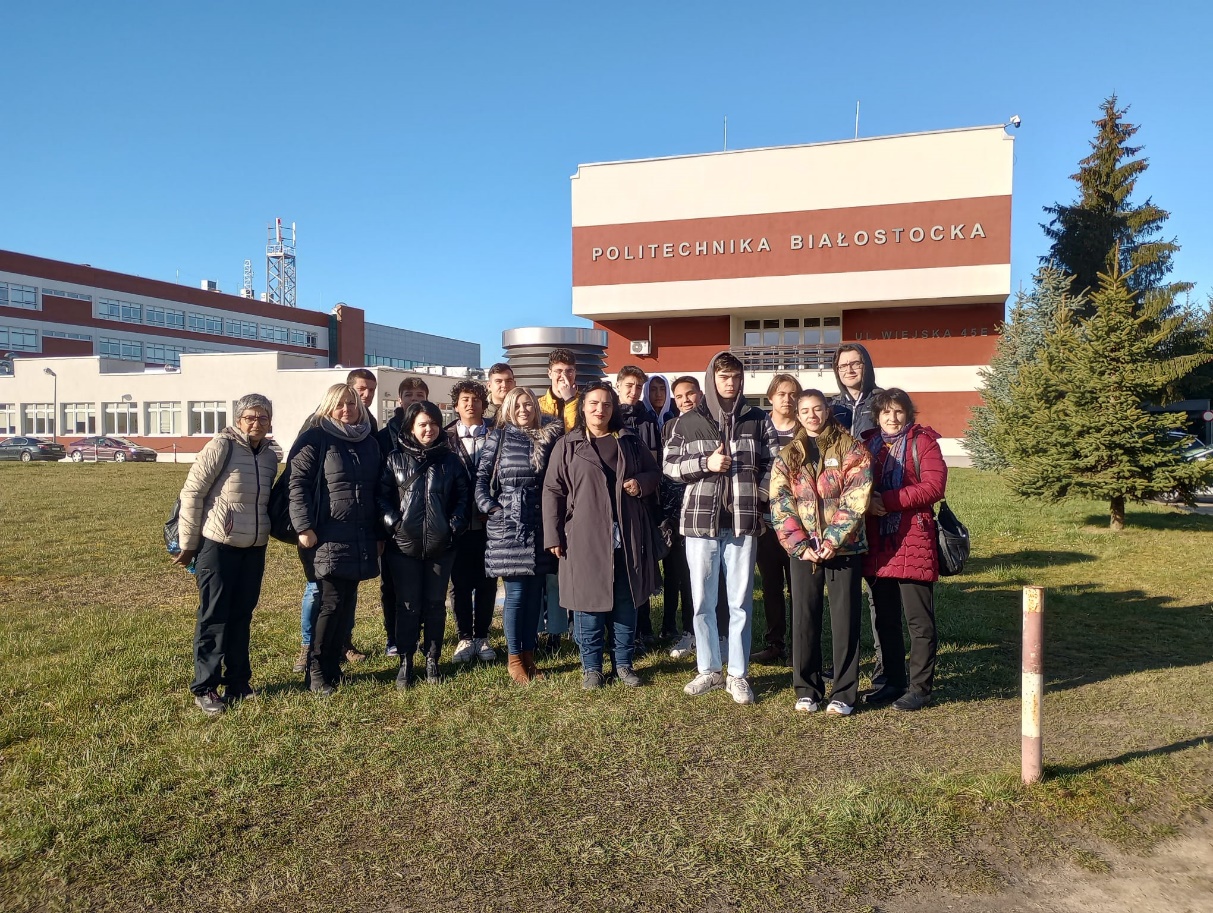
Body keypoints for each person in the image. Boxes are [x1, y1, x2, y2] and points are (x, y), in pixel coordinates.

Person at [664, 351, 779, 705]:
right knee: (702, 600)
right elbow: (669, 466)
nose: (730, 383)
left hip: (743, 524)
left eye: (735, 377)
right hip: (700, 524)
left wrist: (759, 496)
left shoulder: (758, 419)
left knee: (740, 602)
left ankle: (737, 674)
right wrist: (706, 463)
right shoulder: (688, 421)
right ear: (712, 379)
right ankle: (709, 669)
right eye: (724, 377)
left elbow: (774, 464)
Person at [543, 383, 661, 689]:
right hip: (584, 535)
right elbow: (553, 490)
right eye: (593, 403)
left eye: (606, 404)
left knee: (626, 599)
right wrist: (553, 535)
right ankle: (592, 668)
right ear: (583, 407)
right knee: (588, 603)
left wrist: (641, 483)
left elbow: (654, 473)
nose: (600, 409)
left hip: (627, 533)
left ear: (614, 409)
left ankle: (623, 663)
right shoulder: (568, 445)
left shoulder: (630, 441)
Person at [770, 390, 873, 716]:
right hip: (805, 552)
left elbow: (856, 496)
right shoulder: (788, 454)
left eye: (817, 409)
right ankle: (807, 690)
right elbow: (780, 502)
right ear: (798, 415)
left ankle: (844, 692)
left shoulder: (851, 449)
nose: (812, 415)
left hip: (843, 548)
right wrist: (801, 545)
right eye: (805, 411)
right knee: (804, 619)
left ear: (827, 411)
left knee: (845, 620)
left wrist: (832, 541)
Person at [176, 394, 279, 716]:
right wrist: (188, 543)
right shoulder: (221, 446)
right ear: (238, 420)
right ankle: (205, 686)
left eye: (263, 418)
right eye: (250, 417)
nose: (257, 423)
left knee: (242, 615)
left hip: (254, 546)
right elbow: (192, 492)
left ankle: (238, 681)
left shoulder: (270, 455)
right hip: (218, 544)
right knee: (214, 616)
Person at [289, 383, 383, 696]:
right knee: (330, 601)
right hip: (325, 532)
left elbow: (377, 489)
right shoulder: (315, 437)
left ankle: (332, 665)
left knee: (345, 601)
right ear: (329, 406)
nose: (346, 410)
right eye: (340, 404)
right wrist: (304, 526)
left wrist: (378, 533)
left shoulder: (369, 441)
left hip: (360, 532)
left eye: (352, 404)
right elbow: (297, 484)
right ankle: (315, 668)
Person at [862, 388, 947, 712]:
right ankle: (892, 681)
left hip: (913, 538)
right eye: (886, 412)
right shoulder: (869, 444)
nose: (892, 417)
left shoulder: (923, 441)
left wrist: (888, 501)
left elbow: (934, 486)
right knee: (885, 619)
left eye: (898, 411)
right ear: (877, 416)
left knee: (918, 620)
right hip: (878, 542)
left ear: (908, 414)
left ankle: (920, 688)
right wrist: (867, 503)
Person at [377, 400, 469, 687]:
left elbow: (463, 497)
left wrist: (453, 526)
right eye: (423, 424)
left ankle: (432, 659)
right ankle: (406, 660)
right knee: (407, 605)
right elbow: (381, 497)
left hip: (442, 546)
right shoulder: (394, 459)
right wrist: (394, 523)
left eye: (434, 423)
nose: (429, 429)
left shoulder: (450, 461)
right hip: (403, 547)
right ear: (411, 427)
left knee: (435, 605)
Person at [476, 387, 563, 683]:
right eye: (517, 405)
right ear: (508, 410)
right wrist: (492, 507)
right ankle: (514, 659)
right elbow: (481, 479)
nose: (523, 410)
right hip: (508, 526)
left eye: (528, 405)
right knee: (515, 595)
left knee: (535, 595)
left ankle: (529, 656)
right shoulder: (498, 437)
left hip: (540, 523)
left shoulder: (549, 437)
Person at [830, 343, 887, 695]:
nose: (849, 370)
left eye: (855, 363)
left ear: (866, 365)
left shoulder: (882, 401)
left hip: (875, 507)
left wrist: (877, 496)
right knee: (842, 592)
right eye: (843, 366)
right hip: (838, 511)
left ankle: (883, 665)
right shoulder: (831, 407)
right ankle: (842, 661)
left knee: (877, 592)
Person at [372, 375, 432, 660]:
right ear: (400, 400)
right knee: (392, 585)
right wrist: (388, 524)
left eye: (420, 396)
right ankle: (393, 636)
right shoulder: (383, 438)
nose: (414, 400)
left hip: (427, 524)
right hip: (394, 525)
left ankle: (420, 633)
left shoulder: (433, 434)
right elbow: (378, 486)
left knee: (424, 585)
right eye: (409, 395)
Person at [445, 380, 498, 665]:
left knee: (488, 580)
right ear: (456, 405)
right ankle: (464, 635)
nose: (470, 404)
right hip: (459, 524)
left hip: (490, 523)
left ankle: (482, 635)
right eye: (465, 399)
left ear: (484, 404)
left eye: (476, 399)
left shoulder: (496, 434)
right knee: (460, 582)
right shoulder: (445, 437)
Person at [752, 373, 801, 665]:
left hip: (799, 523)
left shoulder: (805, 429)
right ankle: (774, 643)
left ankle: (799, 646)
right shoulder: (759, 427)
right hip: (765, 520)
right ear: (771, 397)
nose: (787, 399)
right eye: (781, 393)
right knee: (771, 585)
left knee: (799, 587)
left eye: (793, 394)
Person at [615, 364, 661, 643]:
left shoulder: (648, 421)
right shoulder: (610, 416)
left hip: (643, 500)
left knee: (641, 564)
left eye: (638, 387)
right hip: (614, 503)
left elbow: (655, 463)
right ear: (618, 386)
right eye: (629, 386)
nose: (634, 392)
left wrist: (643, 485)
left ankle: (643, 627)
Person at [538, 347, 581, 432]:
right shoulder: (539, 406)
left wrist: (569, 400)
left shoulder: (585, 402)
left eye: (569, 371)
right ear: (549, 373)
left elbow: (578, 433)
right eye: (559, 371)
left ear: (575, 373)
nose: (564, 376)